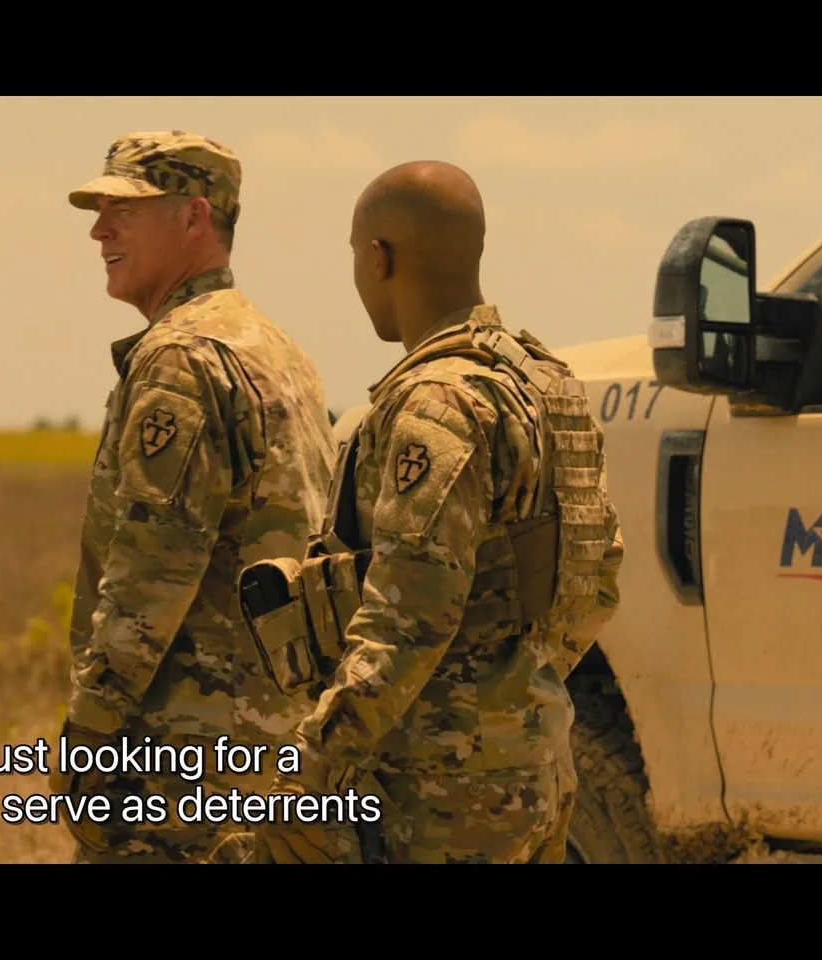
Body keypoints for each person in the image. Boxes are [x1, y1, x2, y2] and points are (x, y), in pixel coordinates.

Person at [211, 160, 625, 864]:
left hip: (438, 793)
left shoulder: (437, 404)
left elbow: (408, 619)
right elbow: (598, 574)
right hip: (535, 768)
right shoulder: (546, 386)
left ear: (380, 259)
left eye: (355, 254)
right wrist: (515, 687)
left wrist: (312, 767)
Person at [50, 130, 340, 863]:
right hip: (277, 751)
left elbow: (153, 574)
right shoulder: (278, 349)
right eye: (99, 212)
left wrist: (90, 727)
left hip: (186, 763)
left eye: (123, 210)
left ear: (194, 217)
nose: (99, 231)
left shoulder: (182, 358)